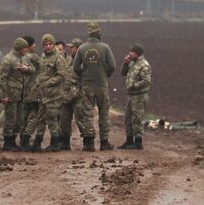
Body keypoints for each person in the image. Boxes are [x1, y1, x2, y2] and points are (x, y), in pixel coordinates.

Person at [73, 21, 116, 152]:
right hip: (101, 85)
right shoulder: (105, 47)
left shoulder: (82, 48)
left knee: (87, 113)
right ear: (99, 35)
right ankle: (104, 142)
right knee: (103, 113)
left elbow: (75, 67)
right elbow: (112, 66)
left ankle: (89, 143)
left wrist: (84, 75)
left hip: (87, 85)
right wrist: (104, 75)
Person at [25, 34, 69, 152]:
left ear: (53, 45)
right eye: (45, 45)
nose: (48, 47)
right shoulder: (43, 56)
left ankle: (55, 142)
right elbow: (41, 73)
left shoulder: (58, 58)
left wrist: (48, 82)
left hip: (54, 95)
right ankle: (37, 142)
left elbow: (62, 75)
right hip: (43, 95)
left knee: (51, 118)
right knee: (40, 119)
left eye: (50, 44)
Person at [0, 37, 33, 151]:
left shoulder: (24, 58)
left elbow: (33, 69)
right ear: (19, 48)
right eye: (24, 48)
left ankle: (13, 140)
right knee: (10, 119)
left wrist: (27, 69)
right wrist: (3, 95)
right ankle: (7, 142)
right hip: (11, 95)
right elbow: (2, 78)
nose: (26, 50)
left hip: (21, 94)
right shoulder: (8, 59)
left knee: (19, 120)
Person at [119, 44, 151, 150]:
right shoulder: (132, 62)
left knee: (137, 119)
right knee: (128, 118)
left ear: (137, 53)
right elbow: (123, 73)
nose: (130, 53)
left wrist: (134, 86)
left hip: (140, 96)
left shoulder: (144, 65)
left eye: (132, 52)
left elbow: (146, 81)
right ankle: (129, 141)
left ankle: (138, 142)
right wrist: (125, 63)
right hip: (132, 96)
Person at [58, 38, 84, 150]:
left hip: (79, 95)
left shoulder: (84, 62)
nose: (70, 49)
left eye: (72, 47)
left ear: (78, 49)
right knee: (64, 120)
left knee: (81, 119)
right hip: (66, 95)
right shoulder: (68, 60)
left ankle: (88, 142)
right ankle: (64, 143)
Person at [19, 36, 40, 150]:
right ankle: (26, 137)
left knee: (24, 117)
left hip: (22, 92)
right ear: (29, 46)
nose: (35, 46)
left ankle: (22, 139)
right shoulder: (33, 57)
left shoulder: (20, 57)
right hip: (33, 91)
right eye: (33, 44)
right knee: (34, 117)